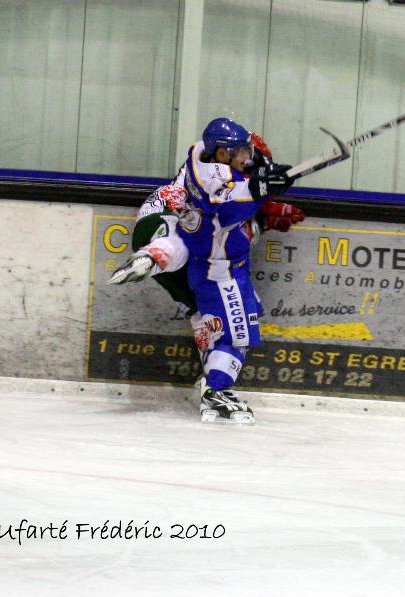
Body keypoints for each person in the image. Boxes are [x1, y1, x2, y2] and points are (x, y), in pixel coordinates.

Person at [109, 119, 304, 424]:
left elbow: (235, 214)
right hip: (164, 223)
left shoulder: (212, 161)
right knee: (211, 303)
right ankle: (214, 387)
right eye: (246, 156)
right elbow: (218, 214)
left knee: (208, 315)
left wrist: (263, 218)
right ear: (223, 154)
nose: (249, 161)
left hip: (172, 228)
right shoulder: (216, 180)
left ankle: (212, 383)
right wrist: (156, 254)